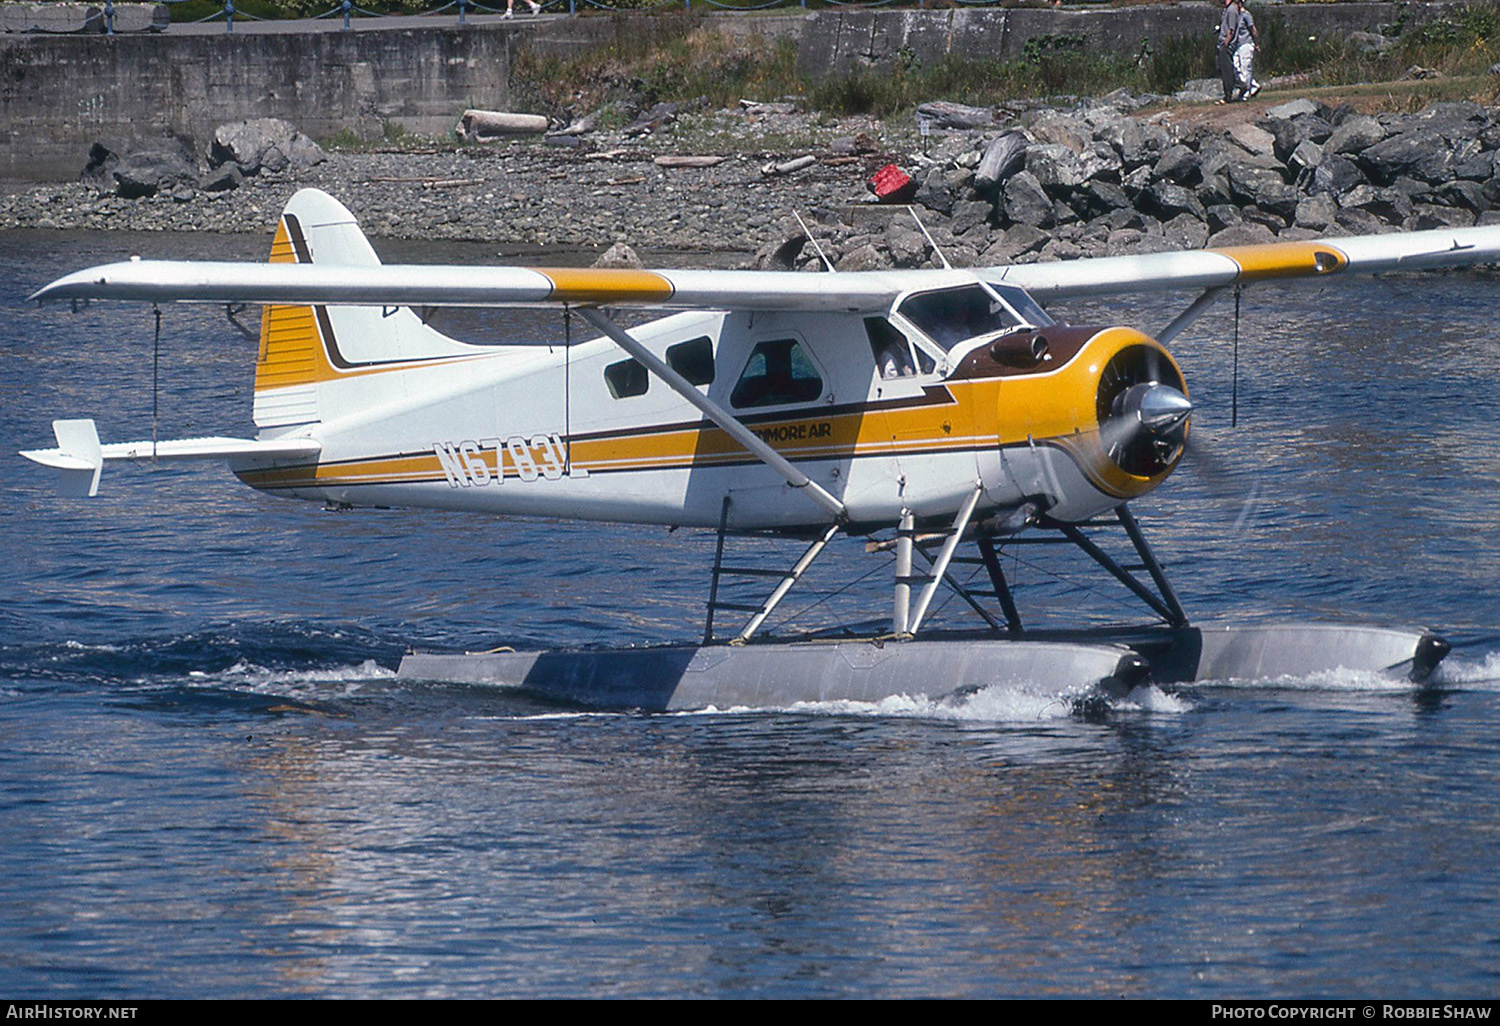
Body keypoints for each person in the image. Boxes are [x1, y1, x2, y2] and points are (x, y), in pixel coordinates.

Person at [1229, 0, 1262, 101]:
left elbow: (1253, 29)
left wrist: (1256, 44)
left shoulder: (1246, 15)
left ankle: (1246, 91)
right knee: (1235, 68)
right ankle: (1252, 86)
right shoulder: (1234, 16)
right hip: (1237, 45)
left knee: (1245, 69)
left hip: (1246, 44)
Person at [1216, 0, 1239, 104]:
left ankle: (1228, 95)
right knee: (1221, 69)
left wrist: (1226, 43)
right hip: (1222, 43)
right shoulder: (1227, 10)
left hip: (1226, 45)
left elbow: (1231, 29)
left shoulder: (1232, 10)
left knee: (1227, 70)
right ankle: (1227, 94)